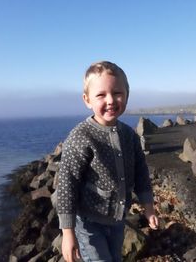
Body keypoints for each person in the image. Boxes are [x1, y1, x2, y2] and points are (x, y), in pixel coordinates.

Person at [57, 61, 158, 262]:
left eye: (117, 93)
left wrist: (148, 208)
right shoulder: (81, 137)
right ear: (87, 100)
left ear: (127, 96)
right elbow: (67, 185)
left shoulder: (129, 135)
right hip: (88, 224)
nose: (111, 100)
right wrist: (68, 233)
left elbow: (141, 173)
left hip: (118, 220)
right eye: (101, 95)